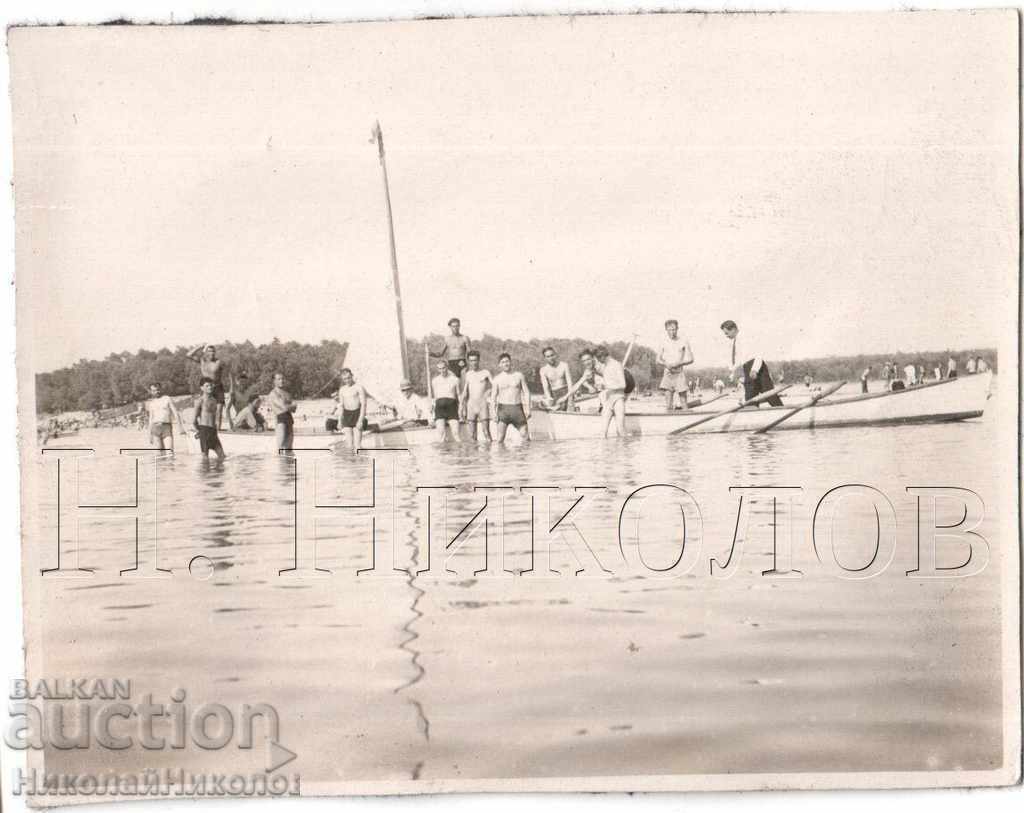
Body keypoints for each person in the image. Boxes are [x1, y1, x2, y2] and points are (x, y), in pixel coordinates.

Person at [720, 320, 784, 406]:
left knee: (770, 395)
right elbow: (740, 359)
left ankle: (781, 411)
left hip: (757, 367)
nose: (726, 336)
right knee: (750, 397)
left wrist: (755, 369)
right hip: (747, 367)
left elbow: (758, 354)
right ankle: (752, 415)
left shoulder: (746, 337)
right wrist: (732, 371)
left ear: (733, 329)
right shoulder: (737, 341)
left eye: (727, 333)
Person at [490, 352, 531, 443]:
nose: (506, 364)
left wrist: (528, 408)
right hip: (503, 410)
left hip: (517, 408)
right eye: (503, 362)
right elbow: (493, 397)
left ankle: (525, 456)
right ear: (499, 365)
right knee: (500, 439)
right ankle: (501, 457)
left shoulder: (519, 376)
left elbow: (527, 392)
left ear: (511, 362)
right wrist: (493, 412)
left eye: (507, 361)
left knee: (525, 436)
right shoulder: (497, 379)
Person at [187, 344, 229, 429]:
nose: (212, 353)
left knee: (219, 410)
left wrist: (232, 389)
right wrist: (199, 346)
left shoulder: (218, 362)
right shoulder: (202, 361)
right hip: (206, 388)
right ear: (206, 352)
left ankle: (218, 429)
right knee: (202, 408)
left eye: (213, 351)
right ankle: (201, 427)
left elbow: (230, 373)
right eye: (209, 351)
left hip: (217, 387)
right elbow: (188, 355)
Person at [592, 345, 628, 438]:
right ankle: (606, 452)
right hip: (608, 400)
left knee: (620, 430)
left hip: (618, 399)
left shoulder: (617, 365)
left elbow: (623, 385)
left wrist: (606, 386)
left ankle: (625, 451)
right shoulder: (604, 366)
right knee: (603, 433)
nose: (599, 361)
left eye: (598, 359)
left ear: (603, 356)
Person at [657, 319, 694, 410]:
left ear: (677, 329)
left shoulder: (683, 341)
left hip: (679, 374)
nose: (672, 332)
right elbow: (657, 360)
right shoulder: (663, 342)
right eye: (669, 330)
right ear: (666, 330)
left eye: (674, 329)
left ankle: (686, 416)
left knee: (684, 403)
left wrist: (679, 363)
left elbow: (691, 359)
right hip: (668, 374)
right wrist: (666, 364)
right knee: (668, 404)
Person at [143, 382, 186, 453]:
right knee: (159, 454)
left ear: (161, 389)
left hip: (166, 427)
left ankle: (170, 463)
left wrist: (180, 428)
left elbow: (176, 413)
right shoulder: (151, 403)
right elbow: (150, 419)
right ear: (151, 391)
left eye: (158, 390)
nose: (156, 392)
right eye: (154, 390)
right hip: (155, 428)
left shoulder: (167, 399)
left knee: (170, 452)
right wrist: (149, 435)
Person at [461, 351, 493, 442]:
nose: (473, 363)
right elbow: (464, 391)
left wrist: (489, 392)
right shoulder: (468, 374)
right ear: (468, 361)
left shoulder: (485, 372)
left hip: (482, 405)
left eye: (475, 360)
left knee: (486, 432)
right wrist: (461, 407)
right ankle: (474, 456)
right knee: (472, 435)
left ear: (479, 360)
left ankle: (489, 455)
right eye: (471, 361)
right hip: (471, 405)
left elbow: (495, 385)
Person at [193, 377, 225, 460]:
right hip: (204, 430)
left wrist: (216, 428)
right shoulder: (200, 401)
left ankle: (217, 473)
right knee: (205, 460)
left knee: (222, 457)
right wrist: (199, 430)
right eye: (207, 386)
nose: (210, 387)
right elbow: (194, 420)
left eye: (211, 385)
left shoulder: (214, 400)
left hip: (213, 432)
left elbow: (216, 416)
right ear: (202, 388)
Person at [430, 358, 461, 442]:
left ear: (447, 367)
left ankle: (461, 454)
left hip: (452, 407)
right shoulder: (435, 381)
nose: (442, 370)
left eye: (443, 368)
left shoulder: (455, 379)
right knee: (441, 435)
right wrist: (431, 409)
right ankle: (443, 455)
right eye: (440, 368)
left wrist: (461, 409)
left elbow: (459, 395)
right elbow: (435, 396)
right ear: (437, 369)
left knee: (456, 434)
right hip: (439, 408)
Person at [266, 372, 297, 453]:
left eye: (283, 379)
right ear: (274, 381)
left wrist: (290, 406)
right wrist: (291, 406)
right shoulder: (273, 394)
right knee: (280, 447)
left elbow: (294, 409)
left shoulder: (287, 393)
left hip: (289, 419)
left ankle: (289, 465)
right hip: (280, 419)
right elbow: (284, 407)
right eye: (279, 379)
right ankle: (280, 464)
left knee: (289, 448)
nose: (281, 381)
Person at [337, 368, 367, 449]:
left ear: (352, 376)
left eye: (349, 378)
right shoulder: (342, 390)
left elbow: (364, 405)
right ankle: (351, 461)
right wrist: (339, 421)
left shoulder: (359, 388)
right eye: (345, 379)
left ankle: (361, 460)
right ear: (342, 379)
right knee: (349, 446)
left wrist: (360, 420)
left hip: (357, 414)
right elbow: (341, 406)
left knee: (358, 446)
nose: (347, 380)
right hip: (347, 415)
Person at [539, 346, 573, 411]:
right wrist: (549, 398)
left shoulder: (564, 365)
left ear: (555, 355)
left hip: (566, 392)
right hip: (554, 393)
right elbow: (545, 387)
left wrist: (570, 398)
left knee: (569, 412)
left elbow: (570, 383)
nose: (551, 358)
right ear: (545, 358)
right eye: (548, 356)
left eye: (552, 355)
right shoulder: (543, 370)